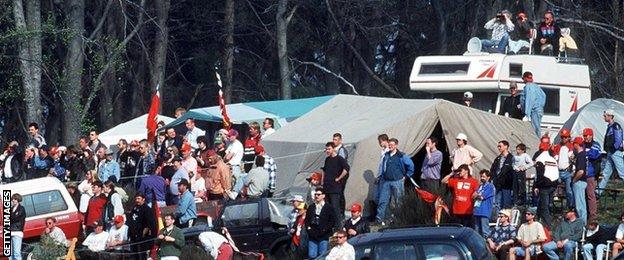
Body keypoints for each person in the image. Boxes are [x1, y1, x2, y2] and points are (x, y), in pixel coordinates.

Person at [376, 138, 414, 225]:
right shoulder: (386, 155)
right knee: (383, 201)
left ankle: (399, 219)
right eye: (389, 145)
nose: (390, 146)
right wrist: (381, 175)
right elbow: (383, 167)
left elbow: (411, 165)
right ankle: (380, 219)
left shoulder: (401, 156)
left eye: (392, 145)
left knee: (399, 201)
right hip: (386, 181)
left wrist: (406, 176)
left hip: (397, 181)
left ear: (396, 145)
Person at [321, 142, 350, 224]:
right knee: (328, 207)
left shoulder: (339, 159)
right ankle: (330, 225)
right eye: (326, 149)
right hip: (327, 187)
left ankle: (339, 226)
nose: (327, 151)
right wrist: (322, 181)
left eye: (329, 149)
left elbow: (346, 168)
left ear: (333, 149)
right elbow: (324, 170)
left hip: (335, 188)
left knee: (335, 207)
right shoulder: (327, 159)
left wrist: (339, 178)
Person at [306, 188, 337, 259]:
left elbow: (332, 221)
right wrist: (309, 229)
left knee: (322, 255)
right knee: (312, 255)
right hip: (313, 235)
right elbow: (307, 220)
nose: (316, 196)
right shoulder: (311, 207)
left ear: (323, 196)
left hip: (323, 235)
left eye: (318, 194)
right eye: (315, 194)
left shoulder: (328, 207)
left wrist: (325, 229)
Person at [598, 109, 624, 194]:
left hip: (615, 152)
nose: (604, 117)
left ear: (610, 116)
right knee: (606, 173)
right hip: (610, 152)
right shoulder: (609, 126)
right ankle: (598, 192)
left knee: (622, 172)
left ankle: (598, 191)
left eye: (605, 116)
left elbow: (619, 138)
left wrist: (614, 148)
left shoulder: (615, 126)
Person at [534, 142, 559, 228]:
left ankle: (548, 226)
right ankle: (537, 221)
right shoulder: (552, 159)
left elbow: (539, 174)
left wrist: (537, 186)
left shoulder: (540, 159)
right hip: (553, 184)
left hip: (544, 185)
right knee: (546, 205)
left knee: (544, 207)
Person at [127, 193, 156, 257]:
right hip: (133, 236)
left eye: (139, 199)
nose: (137, 200)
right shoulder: (134, 208)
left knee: (142, 255)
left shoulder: (147, 209)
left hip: (143, 237)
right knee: (134, 255)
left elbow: (150, 224)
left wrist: (145, 233)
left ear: (143, 199)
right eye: (136, 198)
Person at [582, 128, 601, 223]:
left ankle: (593, 215)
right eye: (584, 135)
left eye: (586, 135)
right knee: (582, 195)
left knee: (590, 195)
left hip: (591, 173)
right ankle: (584, 213)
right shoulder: (582, 144)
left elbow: (594, 154)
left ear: (591, 135)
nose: (585, 137)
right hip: (582, 174)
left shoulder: (596, 144)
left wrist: (584, 152)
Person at [553, 128, 575, 209]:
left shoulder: (571, 146)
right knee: (553, 188)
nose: (564, 139)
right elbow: (555, 157)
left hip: (567, 172)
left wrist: (573, 170)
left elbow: (572, 158)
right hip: (558, 171)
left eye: (565, 137)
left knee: (569, 191)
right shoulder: (558, 146)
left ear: (568, 137)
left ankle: (570, 207)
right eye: (562, 137)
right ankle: (553, 206)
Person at [491, 140, 514, 213]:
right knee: (496, 203)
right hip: (497, 184)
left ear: (506, 146)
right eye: (498, 146)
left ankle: (505, 220)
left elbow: (512, 171)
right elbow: (492, 169)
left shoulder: (511, 158)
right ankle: (496, 218)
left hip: (507, 185)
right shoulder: (498, 158)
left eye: (500, 146)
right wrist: (493, 178)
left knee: (506, 204)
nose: (498, 148)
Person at [521, 71, 546, 137]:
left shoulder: (528, 86)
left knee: (534, 130)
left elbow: (530, 99)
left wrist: (527, 114)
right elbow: (544, 96)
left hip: (534, 111)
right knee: (537, 127)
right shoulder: (537, 87)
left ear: (525, 78)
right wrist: (540, 107)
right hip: (539, 110)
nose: (523, 81)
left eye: (523, 79)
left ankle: (536, 144)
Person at [473, 169, 496, 238]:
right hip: (477, 210)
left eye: (483, 176)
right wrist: (477, 196)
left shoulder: (490, 186)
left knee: (485, 231)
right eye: (481, 177)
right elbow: (473, 195)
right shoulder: (480, 186)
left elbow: (482, 197)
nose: (482, 178)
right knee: (477, 231)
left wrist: (477, 196)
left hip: (484, 211)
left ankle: (486, 245)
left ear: (488, 177)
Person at [571, 137, 588, 224]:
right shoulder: (583, 154)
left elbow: (581, 171)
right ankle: (581, 223)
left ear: (577, 144)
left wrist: (574, 180)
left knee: (580, 206)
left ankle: (582, 224)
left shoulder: (581, 155)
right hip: (582, 181)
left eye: (574, 144)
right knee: (580, 204)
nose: (573, 145)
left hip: (579, 181)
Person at [225, 129, 245, 194]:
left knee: (234, 185)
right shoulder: (231, 144)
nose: (228, 137)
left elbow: (227, 157)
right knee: (230, 185)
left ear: (234, 136)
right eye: (228, 135)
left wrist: (226, 157)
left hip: (235, 167)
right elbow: (225, 156)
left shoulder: (237, 144)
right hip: (230, 166)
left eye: (229, 136)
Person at [10, 193, 26, 260]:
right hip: (10, 232)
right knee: (11, 254)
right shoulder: (11, 208)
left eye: (14, 199)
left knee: (16, 253)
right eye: (12, 199)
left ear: (18, 200)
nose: (13, 200)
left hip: (17, 232)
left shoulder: (21, 208)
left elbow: (15, 218)